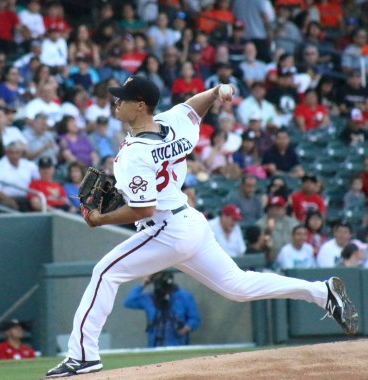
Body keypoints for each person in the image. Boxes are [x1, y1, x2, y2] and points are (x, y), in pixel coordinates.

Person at [45, 76, 358, 378]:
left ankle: (83, 355)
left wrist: (100, 219)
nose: (116, 103)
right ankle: (321, 293)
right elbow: (193, 108)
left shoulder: (134, 154)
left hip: (164, 228)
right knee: (239, 287)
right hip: (189, 222)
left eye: (122, 99)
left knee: (105, 272)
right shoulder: (170, 123)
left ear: (140, 105)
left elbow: (143, 208)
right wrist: (215, 91)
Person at [123, 271, 200, 347]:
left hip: (177, 346)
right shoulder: (149, 298)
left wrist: (185, 328)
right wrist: (143, 284)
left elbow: (194, 319)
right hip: (154, 347)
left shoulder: (183, 296)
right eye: (155, 276)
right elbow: (129, 302)